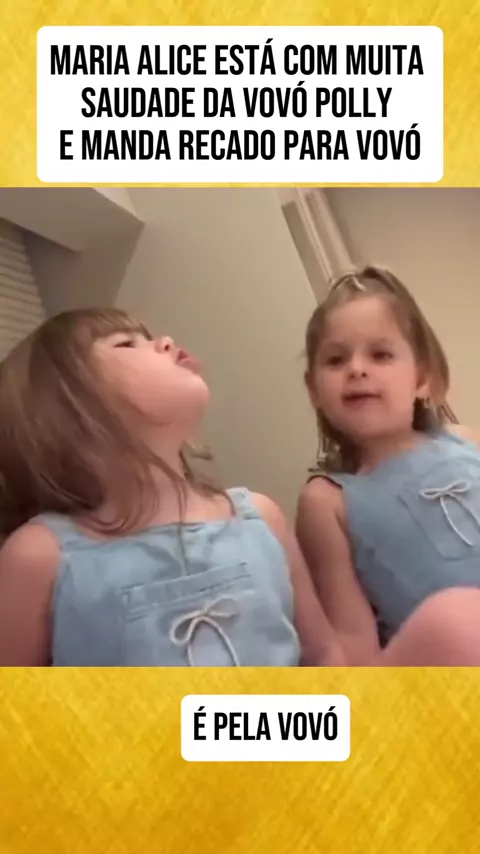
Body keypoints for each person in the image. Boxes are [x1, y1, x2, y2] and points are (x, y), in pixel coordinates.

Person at [0, 308, 341, 667]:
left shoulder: (262, 518)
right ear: (68, 409)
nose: (165, 342)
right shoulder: (40, 557)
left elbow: (324, 655)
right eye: (127, 343)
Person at [296, 264, 480, 665]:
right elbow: (352, 637)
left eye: (380, 354)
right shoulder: (327, 501)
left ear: (422, 378)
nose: (357, 369)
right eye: (336, 360)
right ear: (314, 390)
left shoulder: (466, 441)